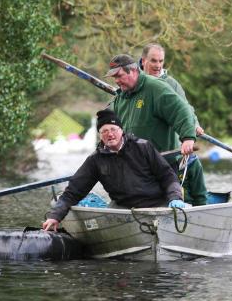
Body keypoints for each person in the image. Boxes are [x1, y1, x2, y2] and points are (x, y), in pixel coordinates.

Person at [42, 109, 186, 232]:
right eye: (104, 131)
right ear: (100, 135)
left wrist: (175, 197)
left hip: (157, 203)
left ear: (121, 131)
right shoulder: (95, 160)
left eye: (113, 129)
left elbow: (168, 177)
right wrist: (55, 216)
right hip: (123, 208)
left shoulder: (143, 147)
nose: (110, 134)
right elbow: (73, 192)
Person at [108, 52, 208, 206]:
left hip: (163, 167)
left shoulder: (155, 88)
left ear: (133, 71)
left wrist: (187, 138)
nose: (117, 81)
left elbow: (182, 110)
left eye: (119, 76)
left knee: (163, 204)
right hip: (136, 168)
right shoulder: (121, 97)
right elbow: (109, 124)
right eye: (114, 78)